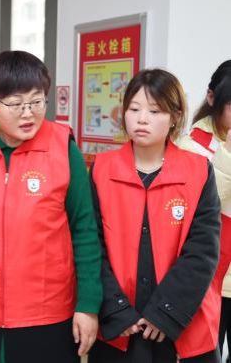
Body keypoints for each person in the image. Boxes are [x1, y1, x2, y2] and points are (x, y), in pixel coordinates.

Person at [0, 50, 102, 363]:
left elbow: (85, 230)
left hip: (47, 310)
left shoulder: (63, 149)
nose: (28, 113)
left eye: (36, 101)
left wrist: (88, 305)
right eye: (15, 104)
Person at [89, 69, 222, 363]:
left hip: (183, 321)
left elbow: (203, 252)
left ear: (175, 116)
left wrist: (165, 312)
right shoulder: (102, 169)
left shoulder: (198, 170)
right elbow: (91, 246)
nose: (142, 119)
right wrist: (116, 309)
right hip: (120, 325)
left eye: (154, 111)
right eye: (134, 109)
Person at [178, 60, 231, 360]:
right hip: (212, 280)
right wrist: (229, 156)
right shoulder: (191, 148)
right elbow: (205, 206)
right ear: (212, 98)